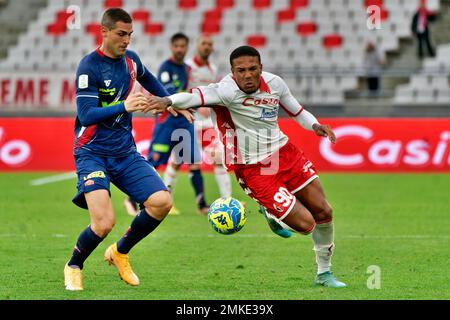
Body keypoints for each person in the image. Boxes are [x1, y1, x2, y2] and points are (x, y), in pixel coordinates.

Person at [144, 46, 347, 288]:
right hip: (253, 169)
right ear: (232, 72)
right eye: (241, 71)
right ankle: (270, 210)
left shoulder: (275, 84)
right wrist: (167, 100)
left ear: (261, 68)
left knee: (324, 212)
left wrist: (315, 125)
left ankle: (324, 274)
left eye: (253, 69)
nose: (248, 75)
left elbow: (297, 111)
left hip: (285, 154)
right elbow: (192, 96)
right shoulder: (224, 91)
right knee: (306, 225)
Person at [64, 8, 193, 291]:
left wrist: (170, 101)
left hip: (125, 152)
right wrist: (125, 105)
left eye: (130, 35)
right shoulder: (89, 67)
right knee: (103, 223)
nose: (127, 40)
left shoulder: (131, 61)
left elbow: (148, 79)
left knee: (162, 202)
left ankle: (119, 252)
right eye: (121, 34)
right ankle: (74, 265)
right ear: (105, 32)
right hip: (92, 152)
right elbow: (85, 115)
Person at [124, 33, 209, 217]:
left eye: (182, 46)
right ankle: (132, 198)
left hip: (184, 122)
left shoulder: (187, 69)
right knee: (155, 162)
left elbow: (190, 91)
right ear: (172, 47)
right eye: (176, 46)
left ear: (187, 48)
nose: (179, 49)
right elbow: (167, 93)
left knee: (193, 162)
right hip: (166, 123)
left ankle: (202, 204)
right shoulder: (165, 67)